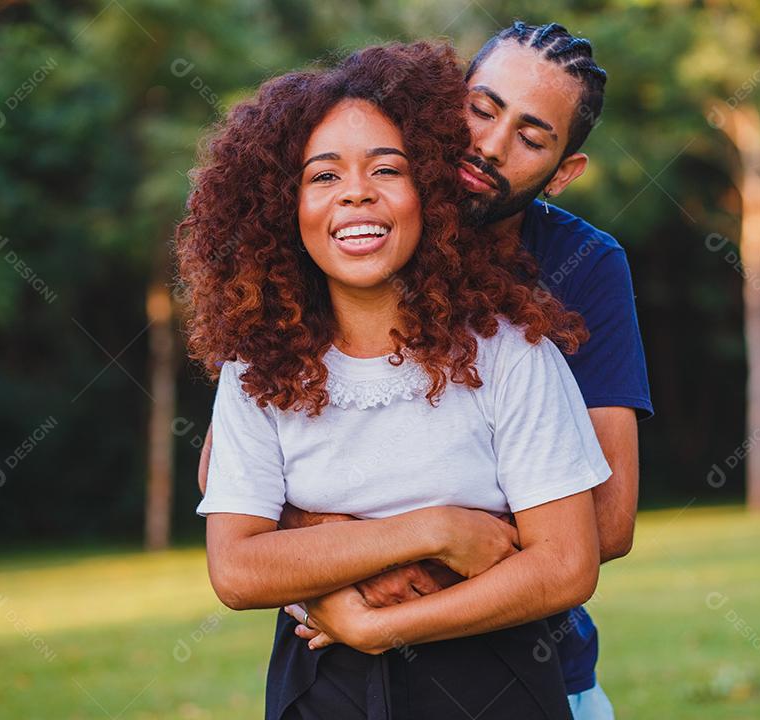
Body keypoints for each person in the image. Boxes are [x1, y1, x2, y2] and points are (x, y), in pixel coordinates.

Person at [199, 21, 652, 720]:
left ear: (563, 171)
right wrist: (383, 547)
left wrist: (405, 587)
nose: (491, 145)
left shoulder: (562, 290)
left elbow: (604, 528)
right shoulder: (292, 319)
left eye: (531, 138)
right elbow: (228, 487)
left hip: (519, 656)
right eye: (482, 109)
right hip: (333, 661)